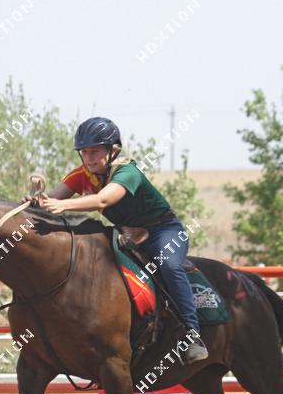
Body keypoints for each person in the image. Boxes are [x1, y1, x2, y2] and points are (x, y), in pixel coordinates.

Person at [28, 116, 209, 363]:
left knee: (168, 265)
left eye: (95, 151)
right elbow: (53, 199)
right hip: (127, 236)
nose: (89, 158)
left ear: (113, 151)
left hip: (163, 231)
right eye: (84, 152)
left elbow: (103, 200)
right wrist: (36, 203)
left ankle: (192, 335)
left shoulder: (128, 172)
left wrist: (63, 205)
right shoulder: (81, 174)